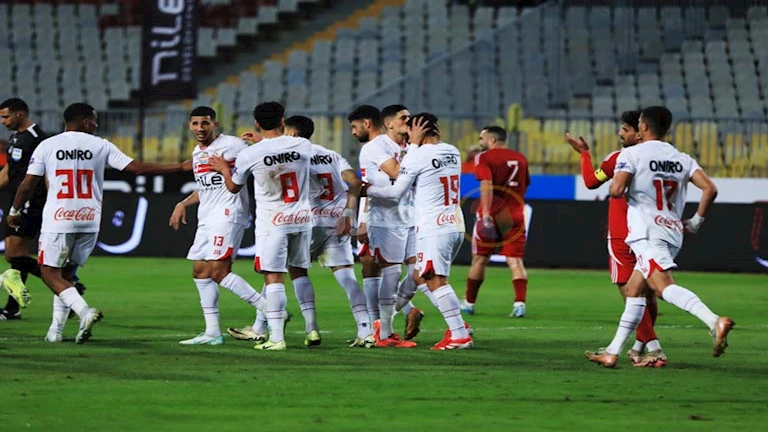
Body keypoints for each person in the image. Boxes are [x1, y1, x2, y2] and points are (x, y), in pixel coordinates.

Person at [7, 102, 190, 343]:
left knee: (49, 273)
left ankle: (84, 312)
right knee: (67, 275)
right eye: (94, 120)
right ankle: (55, 331)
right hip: (89, 219)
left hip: (59, 218)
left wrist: (14, 210)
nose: (96, 124)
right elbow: (137, 168)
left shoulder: (48, 145)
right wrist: (179, 167)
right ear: (84, 121)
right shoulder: (101, 145)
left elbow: (27, 185)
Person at [586, 106, 734, 368]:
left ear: (643, 127)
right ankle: (611, 352)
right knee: (634, 290)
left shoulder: (631, 154)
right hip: (673, 231)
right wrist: (696, 221)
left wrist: (621, 182)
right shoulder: (682, 158)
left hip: (647, 232)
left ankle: (714, 321)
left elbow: (617, 190)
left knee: (662, 287)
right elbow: (710, 189)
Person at [209, 101, 314, 351]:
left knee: (273, 277)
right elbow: (280, 151)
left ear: (256, 123)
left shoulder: (250, 154)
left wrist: (224, 169)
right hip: (301, 219)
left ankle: (276, 338)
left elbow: (233, 187)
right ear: (282, 120)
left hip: (273, 223)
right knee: (298, 271)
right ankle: (310, 327)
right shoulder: (303, 145)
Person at [566, 110, 667, 367]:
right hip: (653, 231)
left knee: (631, 294)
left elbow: (591, 182)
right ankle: (639, 347)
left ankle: (654, 350)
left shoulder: (619, 158)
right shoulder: (663, 158)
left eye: (625, 129)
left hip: (623, 234)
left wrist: (584, 154)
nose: (620, 133)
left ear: (640, 132)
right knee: (648, 294)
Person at [366, 113, 473, 350]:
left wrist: (369, 190)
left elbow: (396, 193)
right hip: (455, 223)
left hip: (433, 226)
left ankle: (459, 334)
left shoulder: (418, 154)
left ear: (416, 132)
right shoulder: (452, 151)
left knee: (435, 280)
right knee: (418, 276)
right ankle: (385, 323)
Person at [169, 106, 267, 346]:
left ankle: (273, 312)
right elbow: (205, 187)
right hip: (206, 216)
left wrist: (260, 141)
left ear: (215, 124)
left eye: (205, 123)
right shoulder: (197, 152)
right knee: (200, 271)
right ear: (189, 126)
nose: (200, 128)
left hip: (228, 213)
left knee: (218, 271)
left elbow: (265, 155)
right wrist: (183, 203)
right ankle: (212, 332)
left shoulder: (232, 145)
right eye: (195, 124)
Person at [0, 98, 86, 320]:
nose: (3, 121)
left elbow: (49, 171)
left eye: (6, 117)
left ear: (20, 114)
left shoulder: (38, 139)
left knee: (14, 253)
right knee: (15, 255)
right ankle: (13, 307)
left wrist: (54, 198)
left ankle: (67, 286)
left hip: (32, 201)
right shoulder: (15, 138)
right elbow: (9, 170)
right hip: (14, 200)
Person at [356, 104, 421, 348]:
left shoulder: (411, 147)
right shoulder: (376, 146)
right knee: (392, 274)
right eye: (403, 118)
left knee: (417, 273)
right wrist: (416, 148)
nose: (408, 121)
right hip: (386, 219)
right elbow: (396, 172)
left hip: (412, 216)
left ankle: (383, 323)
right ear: (389, 123)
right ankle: (385, 334)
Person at [461, 126, 530, 317]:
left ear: (491, 140)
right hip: (515, 215)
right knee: (515, 261)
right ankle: (519, 304)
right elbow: (524, 186)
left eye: (481, 138)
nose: (480, 142)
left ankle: (469, 304)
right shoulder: (521, 158)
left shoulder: (483, 157)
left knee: (479, 260)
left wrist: (486, 213)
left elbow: (486, 185)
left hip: (491, 215)